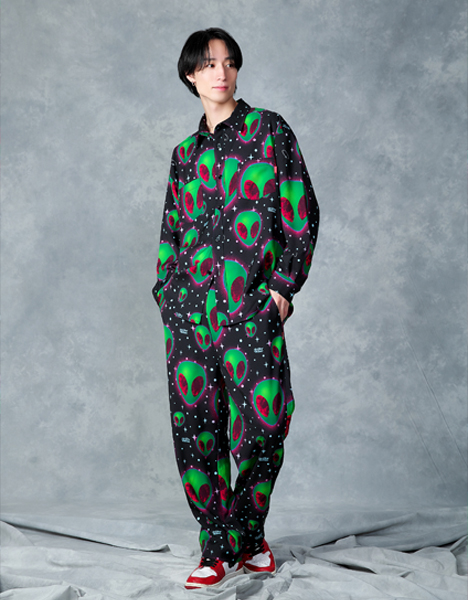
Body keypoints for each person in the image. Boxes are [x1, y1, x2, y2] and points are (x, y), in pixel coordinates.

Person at [152, 27, 319, 589]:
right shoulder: (184, 155)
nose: (220, 73)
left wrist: (283, 288)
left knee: (265, 424)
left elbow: (300, 207)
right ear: (191, 76)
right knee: (197, 431)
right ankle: (217, 545)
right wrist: (167, 294)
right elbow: (170, 231)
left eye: (228, 62)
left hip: (250, 310)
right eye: (208, 64)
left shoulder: (270, 130)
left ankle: (248, 533)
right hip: (189, 314)